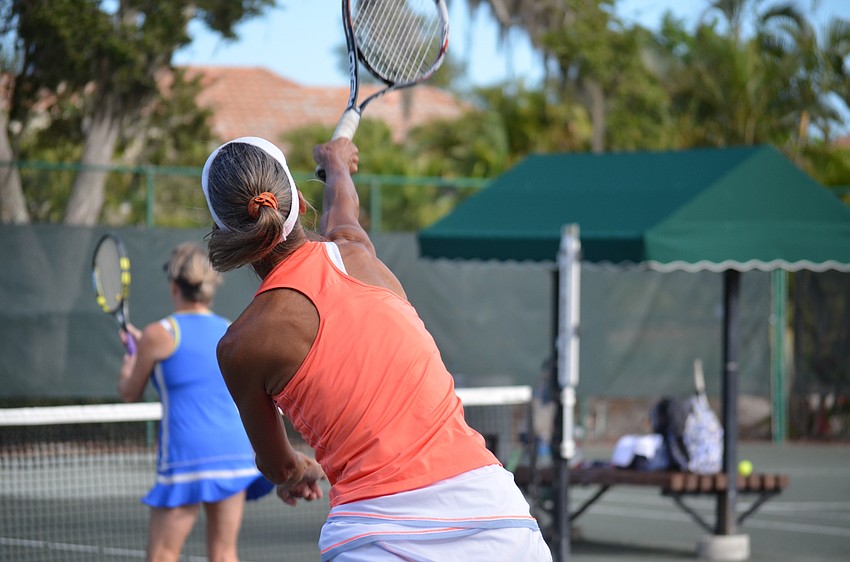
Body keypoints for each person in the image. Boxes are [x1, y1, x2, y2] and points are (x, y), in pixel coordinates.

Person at [200, 135, 553, 561]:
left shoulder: (240, 347)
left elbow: (278, 467)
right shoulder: (359, 257)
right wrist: (338, 166)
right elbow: (343, 212)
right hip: (498, 521)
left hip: (375, 537)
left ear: (223, 232)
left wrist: (299, 469)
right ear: (299, 202)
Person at [118, 242, 273, 562]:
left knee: (162, 555)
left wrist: (131, 359)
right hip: (234, 452)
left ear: (174, 286)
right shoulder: (231, 330)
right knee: (225, 552)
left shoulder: (158, 334)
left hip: (187, 457)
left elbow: (129, 391)